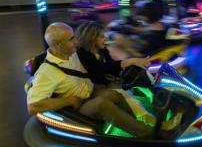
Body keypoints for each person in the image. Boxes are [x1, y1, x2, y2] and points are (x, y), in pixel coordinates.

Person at [27, 22, 155, 138]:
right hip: (79, 104)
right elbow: (33, 106)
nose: (76, 42)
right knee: (101, 103)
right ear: (58, 44)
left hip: (91, 91)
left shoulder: (72, 53)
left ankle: (134, 125)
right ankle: (147, 133)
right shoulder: (46, 72)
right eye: (71, 39)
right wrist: (68, 100)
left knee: (114, 94)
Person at [75, 21, 150, 87]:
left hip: (107, 84)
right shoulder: (82, 53)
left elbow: (112, 66)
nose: (105, 39)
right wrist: (129, 61)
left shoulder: (102, 50)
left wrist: (128, 68)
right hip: (92, 88)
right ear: (91, 38)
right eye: (102, 37)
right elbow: (101, 68)